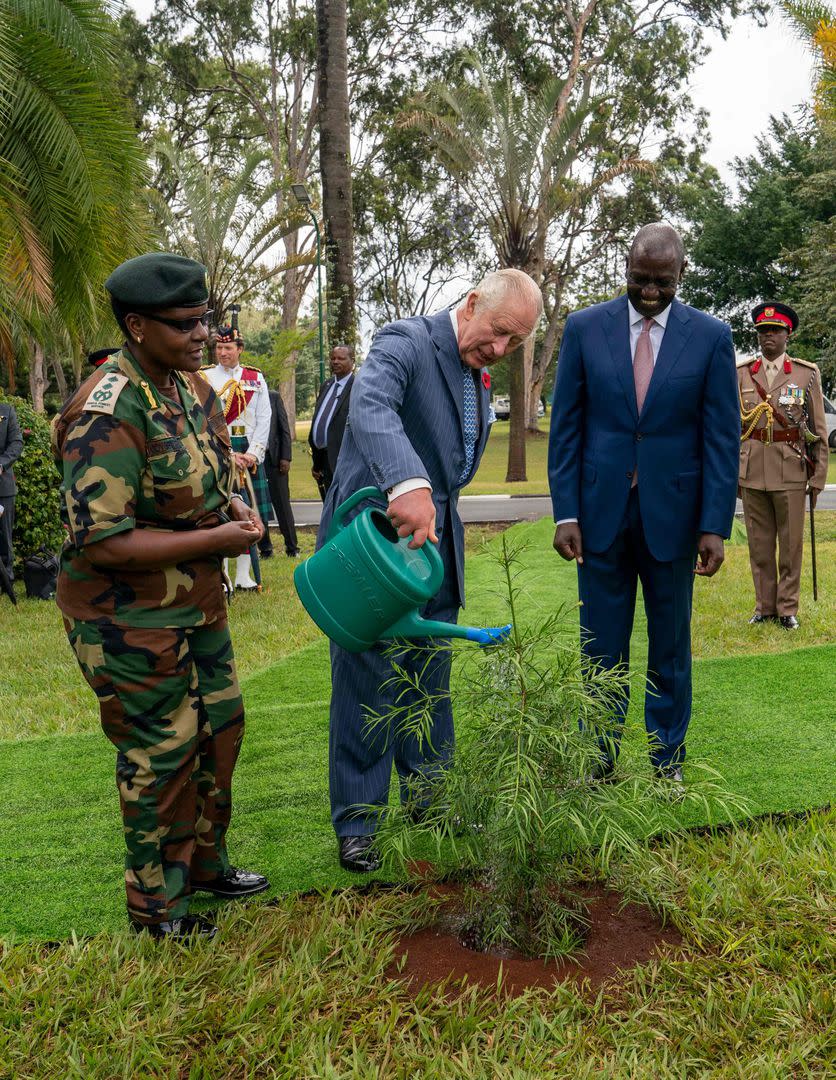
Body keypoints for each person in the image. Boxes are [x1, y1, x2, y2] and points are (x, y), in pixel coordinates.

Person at [52, 252, 269, 941]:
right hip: (124, 616)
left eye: (206, 319)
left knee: (221, 727)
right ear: (137, 326)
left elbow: (207, 475)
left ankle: (205, 864)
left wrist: (233, 504)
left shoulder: (188, 388)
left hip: (195, 603)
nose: (203, 333)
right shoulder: (105, 411)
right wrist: (215, 545)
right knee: (162, 749)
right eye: (186, 324)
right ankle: (158, 909)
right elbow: (103, 541)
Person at [321, 269, 543, 872]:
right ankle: (360, 822)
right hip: (371, 546)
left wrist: (432, 497)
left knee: (429, 676)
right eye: (496, 332)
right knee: (367, 676)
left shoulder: (476, 370)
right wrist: (408, 481)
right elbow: (371, 405)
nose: (499, 349)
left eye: (513, 344)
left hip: (435, 546)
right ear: (471, 304)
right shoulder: (405, 341)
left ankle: (432, 800)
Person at [548, 223, 739, 787]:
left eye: (662, 281)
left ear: (681, 273)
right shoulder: (585, 328)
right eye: (639, 279)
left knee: (670, 648)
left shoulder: (710, 337)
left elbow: (720, 438)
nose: (649, 291)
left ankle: (667, 764)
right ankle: (598, 763)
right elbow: (566, 429)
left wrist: (714, 524)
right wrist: (566, 513)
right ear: (625, 269)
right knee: (600, 650)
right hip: (599, 517)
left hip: (675, 521)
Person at [738, 302, 828, 629]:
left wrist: (817, 477)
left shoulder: (806, 373)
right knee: (760, 546)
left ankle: (787, 608)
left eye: (774, 331)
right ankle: (764, 607)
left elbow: (817, 430)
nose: (768, 338)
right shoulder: (742, 373)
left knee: (790, 547)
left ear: (787, 334)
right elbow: (733, 428)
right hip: (752, 470)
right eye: (763, 332)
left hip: (790, 469)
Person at [201, 325, 272, 589]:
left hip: (248, 452)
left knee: (248, 513)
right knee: (219, 511)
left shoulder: (255, 378)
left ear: (239, 349)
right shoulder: (205, 377)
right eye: (219, 348)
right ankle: (223, 575)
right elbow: (203, 418)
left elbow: (265, 418)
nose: (222, 352)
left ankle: (244, 575)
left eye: (228, 348)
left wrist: (253, 454)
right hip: (219, 449)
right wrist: (227, 453)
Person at [309, 344, 355, 498]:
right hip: (322, 461)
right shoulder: (326, 385)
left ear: (352, 361)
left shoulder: (358, 387)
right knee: (328, 507)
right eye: (333, 358)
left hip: (344, 461)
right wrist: (317, 462)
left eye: (341, 358)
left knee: (344, 506)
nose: (335, 361)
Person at [264, 387, 300, 557]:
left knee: (283, 506)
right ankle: (265, 549)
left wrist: (286, 458)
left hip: (275, 460)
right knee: (259, 507)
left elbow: (284, 429)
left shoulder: (273, 397)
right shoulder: (244, 397)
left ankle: (292, 548)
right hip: (254, 461)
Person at [0, 399, 23, 585]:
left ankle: (6, 581)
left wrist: (1, 464)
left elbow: (16, 443)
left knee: (4, 536)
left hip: (3, 487)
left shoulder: (7, 411)